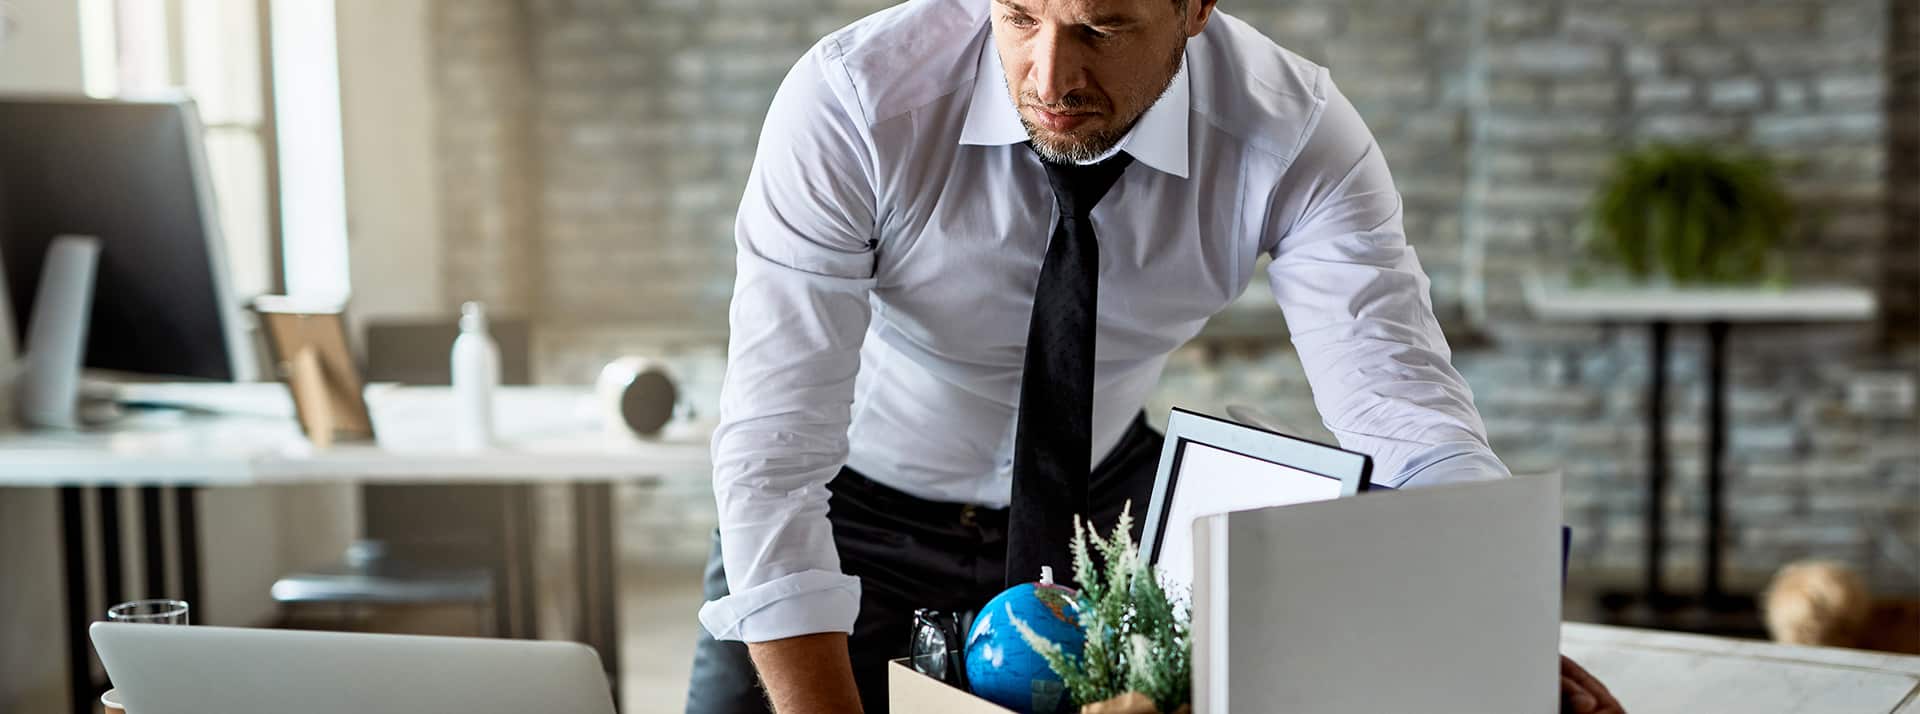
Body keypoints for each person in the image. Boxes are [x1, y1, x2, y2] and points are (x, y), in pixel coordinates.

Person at [687, 0, 1625, 712]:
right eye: (1019, 16)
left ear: (1195, 9)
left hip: (1099, 520)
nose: (1048, 77)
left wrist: (1490, 612)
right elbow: (775, 444)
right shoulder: (855, 97)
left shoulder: (1294, 132)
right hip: (842, 509)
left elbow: (1401, 405)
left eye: (1100, 27)